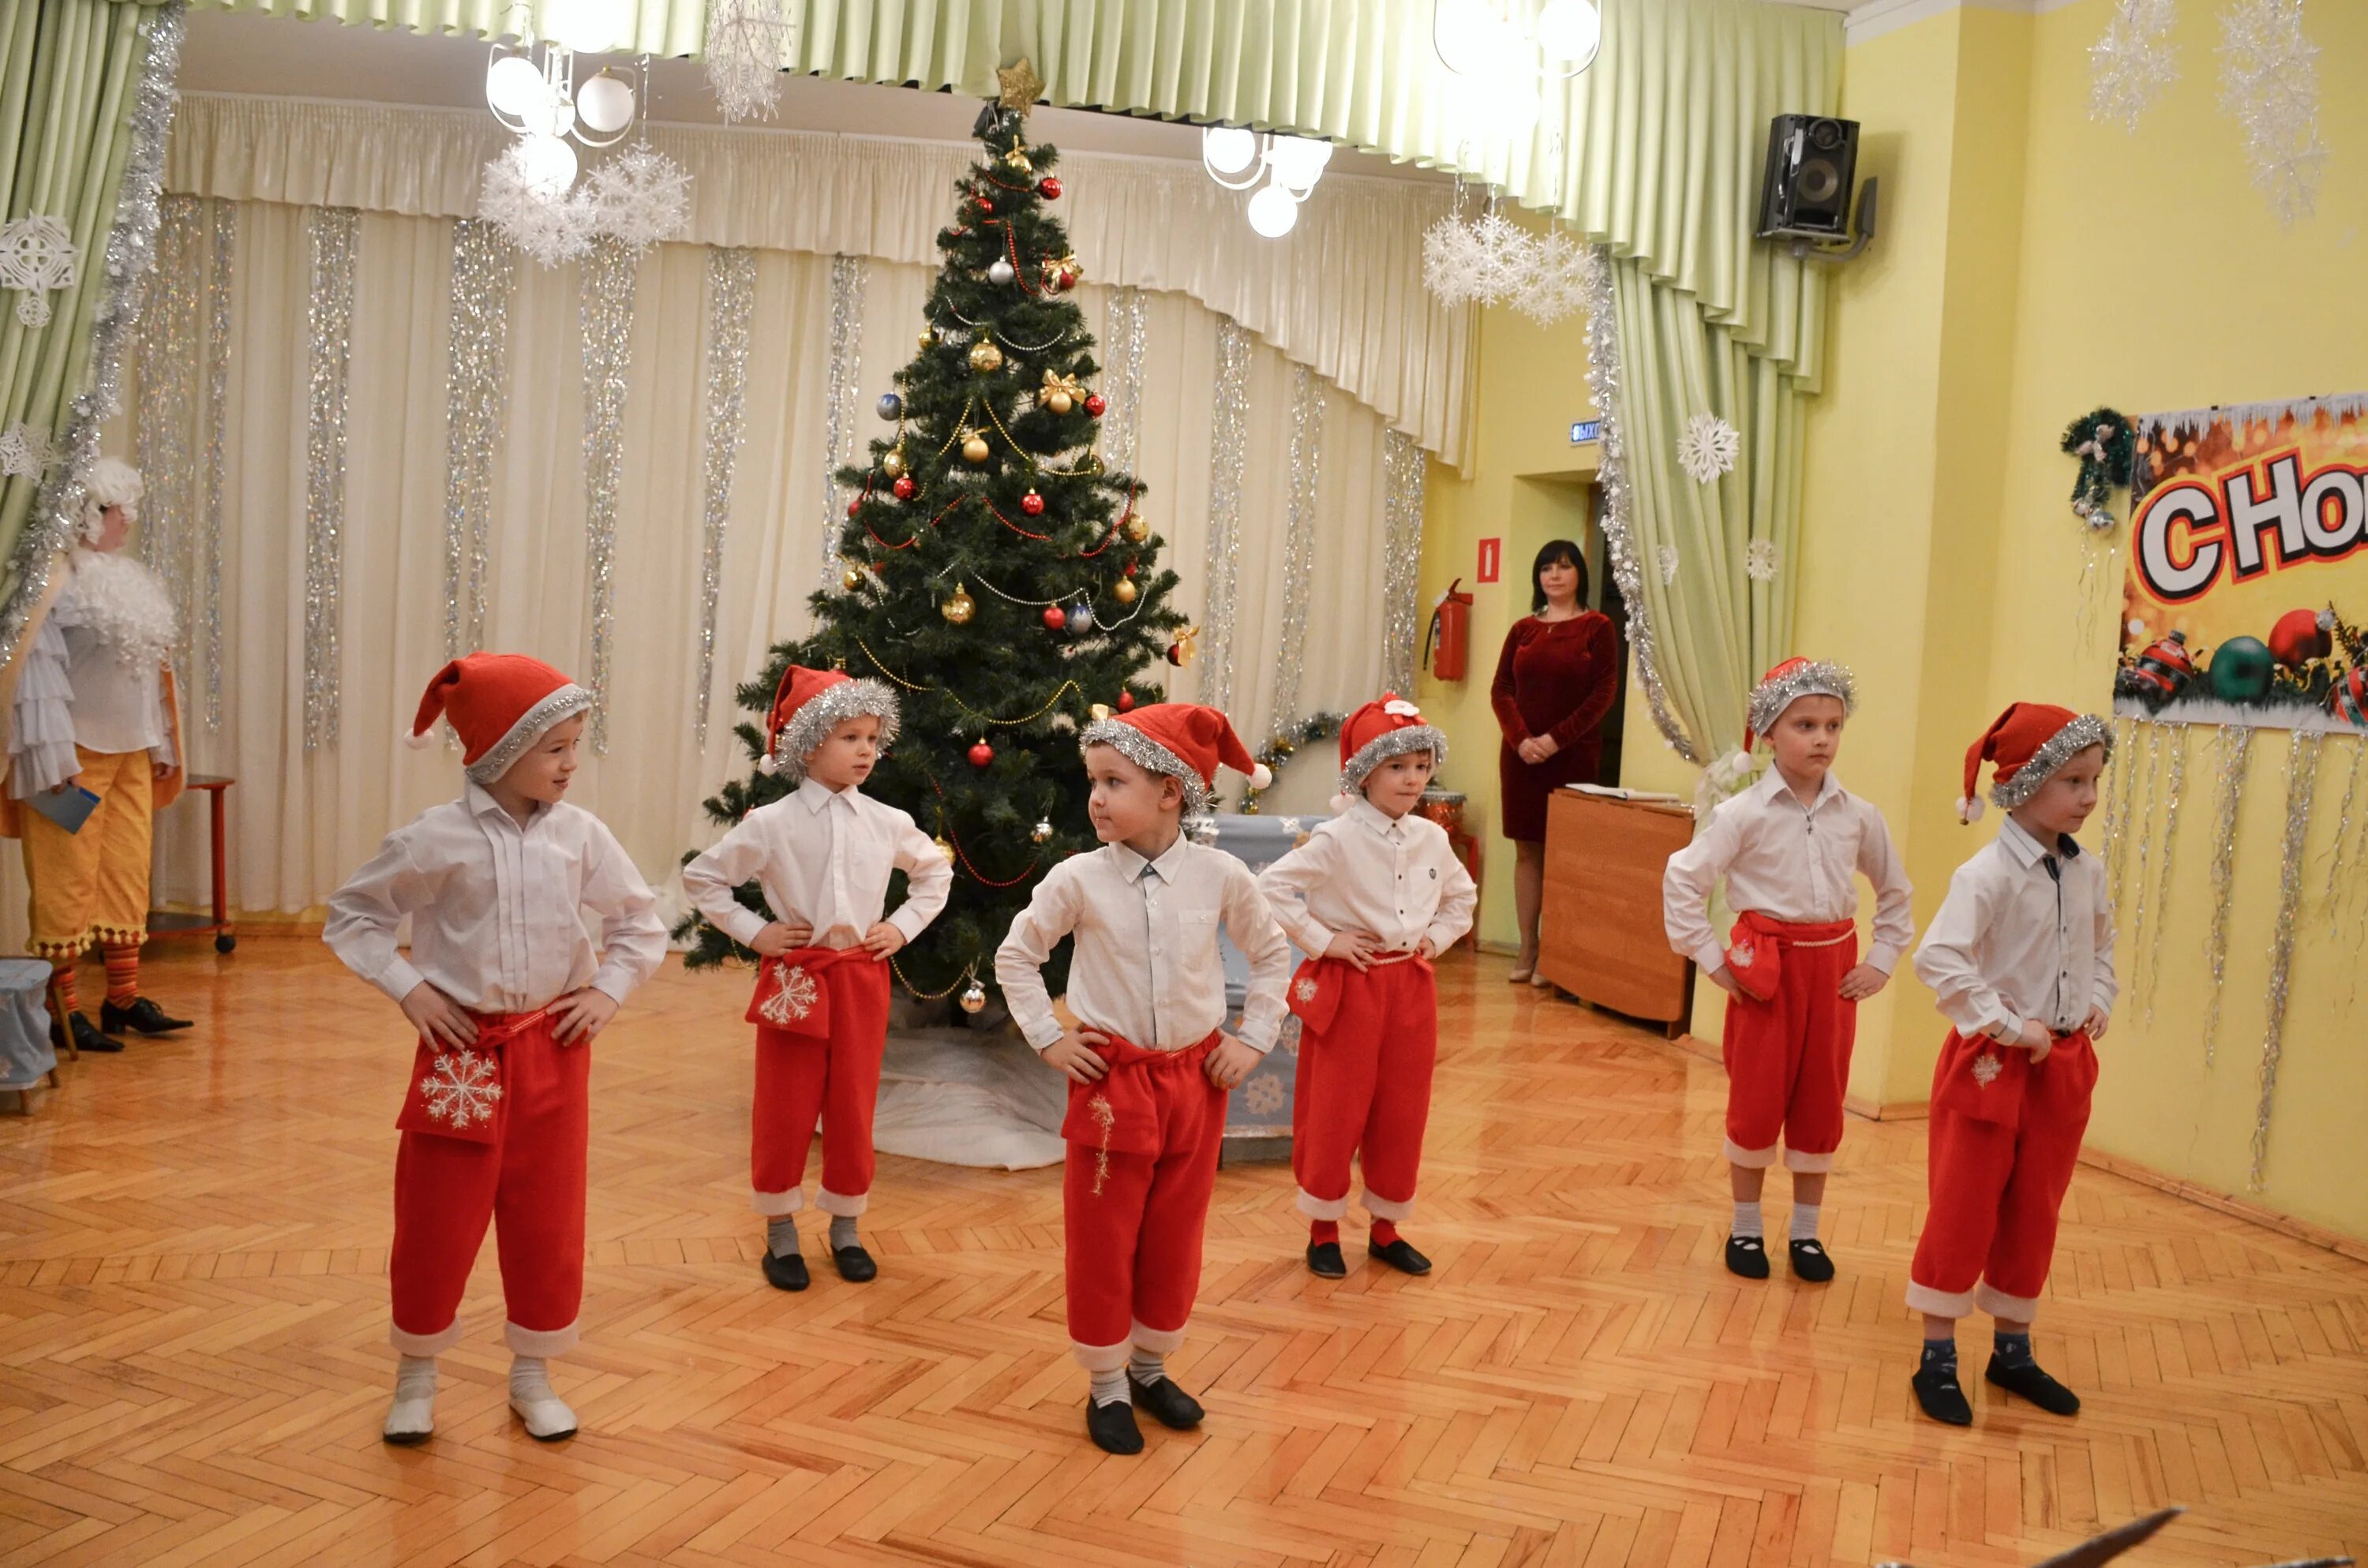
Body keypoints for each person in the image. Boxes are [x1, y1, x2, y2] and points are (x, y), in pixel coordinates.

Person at [324, 653, 666, 1446]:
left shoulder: (582, 837)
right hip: (462, 1056)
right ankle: (416, 1374)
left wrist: (606, 991)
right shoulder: (433, 840)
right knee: (436, 1217)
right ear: (499, 749)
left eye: (577, 744)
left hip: (554, 1049)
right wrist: (410, 988)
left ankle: (533, 1374)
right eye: (555, 748)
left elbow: (639, 923)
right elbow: (353, 916)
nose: (571, 763)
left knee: (547, 1215)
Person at [995, 703, 1290, 1456]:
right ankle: (1106, 1384)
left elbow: (1272, 953)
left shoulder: (1220, 874)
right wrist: (1050, 1039)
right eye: (1092, 780)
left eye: (1112, 781)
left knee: (1175, 1229)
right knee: (1103, 1235)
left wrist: (1253, 1037)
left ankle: (1152, 1367)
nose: (1095, 797)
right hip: (1111, 1087)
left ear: (1171, 791)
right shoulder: (1080, 879)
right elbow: (1016, 956)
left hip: (1196, 1082)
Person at [680, 666, 950, 1291]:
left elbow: (934, 875)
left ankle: (846, 1225)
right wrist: (757, 933)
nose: (866, 751)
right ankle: (779, 1230)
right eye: (850, 737)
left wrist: (901, 926)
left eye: (873, 739)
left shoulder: (887, 821)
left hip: (859, 976)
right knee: (785, 1102)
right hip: (796, 979)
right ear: (808, 744)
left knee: (853, 1103)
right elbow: (704, 879)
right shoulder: (772, 823)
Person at [1662, 658, 1912, 1283]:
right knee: (1756, 1096)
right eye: (1805, 724)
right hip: (1764, 974)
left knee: (1821, 1099)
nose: (1822, 738)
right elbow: (1682, 879)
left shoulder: (1859, 815)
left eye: (1833, 724)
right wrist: (1715, 962)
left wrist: (1880, 959)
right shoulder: (1741, 814)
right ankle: (1746, 1225)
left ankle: (1805, 1232)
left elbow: (1896, 891)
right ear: (1771, 731)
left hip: (1831, 975)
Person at [1907, 702, 2115, 1426]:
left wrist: (2097, 998)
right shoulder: (1986, 874)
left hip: (2061, 1066)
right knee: (1966, 1202)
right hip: (1992, 1063)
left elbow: (2103, 945)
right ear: (2023, 783)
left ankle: (2012, 1350)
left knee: (2036, 1207)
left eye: (2095, 779)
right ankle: (1936, 1355)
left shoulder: (2087, 872)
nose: (2089, 797)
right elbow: (1937, 958)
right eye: (2073, 781)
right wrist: (2005, 1022)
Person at [1257, 694, 1475, 1281]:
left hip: (1411, 988)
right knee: (1335, 1107)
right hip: (1352, 987)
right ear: (1364, 773)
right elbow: (1271, 889)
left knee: (1403, 1107)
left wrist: (1437, 937)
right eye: (1398, 768)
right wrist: (1324, 941)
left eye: (1423, 767)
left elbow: (1462, 897)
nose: (1413, 780)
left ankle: (1386, 1228)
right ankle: (1323, 1229)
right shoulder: (1335, 838)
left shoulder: (1433, 839)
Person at [4, 457, 190, 1054]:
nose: (126, 522)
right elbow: (35, 678)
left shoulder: (127, 581)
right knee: (65, 878)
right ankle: (65, 1010)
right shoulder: (51, 586)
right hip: (68, 759)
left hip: (132, 753)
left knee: (125, 871)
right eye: (116, 511)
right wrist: (50, 762)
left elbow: (147, 676)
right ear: (86, 514)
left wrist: (160, 742)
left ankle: (123, 998)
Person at [1490, 539, 1619, 984]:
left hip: (1573, 759)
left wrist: (1554, 740)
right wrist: (1522, 739)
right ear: (1538, 578)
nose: (1555, 575)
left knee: (1563, 854)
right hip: (1521, 759)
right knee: (1527, 851)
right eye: (1546, 568)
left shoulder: (1597, 627)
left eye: (1564, 567)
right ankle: (1529, 947)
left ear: (1580, 573)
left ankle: (1557, 954)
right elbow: (1501, 690)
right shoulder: (1523, 629)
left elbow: (1603, 694)